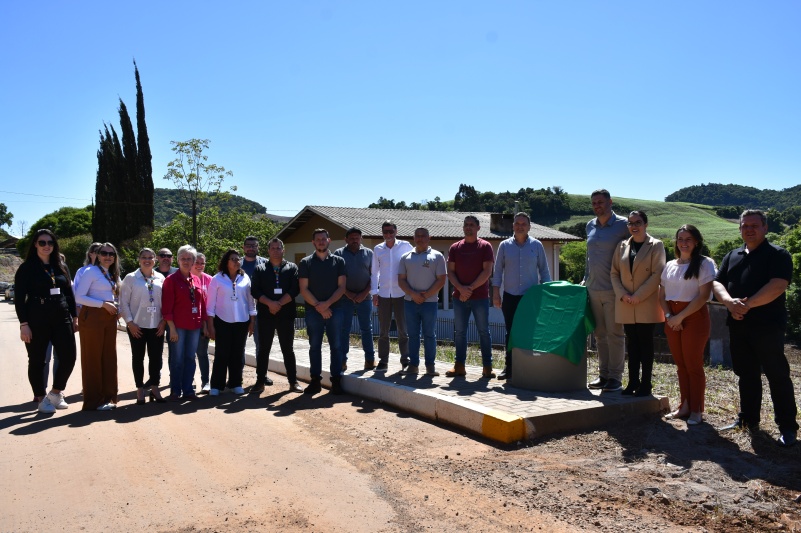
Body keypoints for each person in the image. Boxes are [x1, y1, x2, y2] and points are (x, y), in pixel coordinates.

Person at [713, 210, 798, 447]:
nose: (749, 229)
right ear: (739, 228)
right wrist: (729, 303)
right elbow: (717, 282)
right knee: (746, 374)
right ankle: (748, 420)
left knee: (777, 375)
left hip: (767, 326)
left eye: (754, 225)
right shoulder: (732, 256)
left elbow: (778, 285)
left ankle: (788, 427)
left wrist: (746, 305)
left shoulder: (777, 255)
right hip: (738, 325)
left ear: (765, 228)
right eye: (744, 225)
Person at [15, 229, 78, 414]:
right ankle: (41, 399)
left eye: (50, 243)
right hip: (37, 317)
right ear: (35, 244)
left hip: (61, 316)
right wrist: (24, 324)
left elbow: (69, 293)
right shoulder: (26, 268)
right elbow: (19, 299)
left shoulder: (61, 266)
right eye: (42, 242)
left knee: (69, 357)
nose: (46, 246)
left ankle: (56, 393)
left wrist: (74, 316)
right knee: (37, 360)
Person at [659, 225, 716, 425]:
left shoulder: (705, 263)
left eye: (688, 239)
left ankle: (697, 410)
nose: (683, 242)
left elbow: (702, 297)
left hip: (693, 317)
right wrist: (669, 316)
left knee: (693, 365)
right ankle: (684, 406)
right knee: (681, 366)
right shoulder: (670, 265)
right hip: (672, 318)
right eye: (680, 239)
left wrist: (680, 317)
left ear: (697, 242)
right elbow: (662, 295)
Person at [610, 211, 666, 397]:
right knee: (632, 345)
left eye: (638, 222)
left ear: (646, 224)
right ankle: (632, 381)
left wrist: (638, 296)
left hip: (646, 303)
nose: (634, 226)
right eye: (630, 223)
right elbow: (614, 273)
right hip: (626, 302)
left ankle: (646, 384)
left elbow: (657, 274)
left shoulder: (656, 245)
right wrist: (623, 294)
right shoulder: (622, 246)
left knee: (645, 345)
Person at [491, 212, 551, 380]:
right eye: (517, 223)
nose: (520, 226)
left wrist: (547, 294)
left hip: (530, 298)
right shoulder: (504, 245)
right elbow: (497, 272)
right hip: (509, 296)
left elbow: (544, 272)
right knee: (511, 332)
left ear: (529, 227)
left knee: (530, 332)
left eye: (523, 223)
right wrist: (496, 294)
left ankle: (529, 367)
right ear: (513, 226)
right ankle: (509, 367)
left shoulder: (537, 245)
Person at [583, 189, 631, 392]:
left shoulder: (623, 225)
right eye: (594, 203)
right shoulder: (589, 225)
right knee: (600, 334)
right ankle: (603, 375)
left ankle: (616, 378)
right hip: (593, 288)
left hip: (614, 289)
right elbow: (589, 257)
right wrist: (585, 279)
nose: (597, 206)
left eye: (601, 202)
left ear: (610, 202)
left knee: (615, 334)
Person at [250, 238, 303, 393]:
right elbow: (255, 291)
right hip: (266, 315)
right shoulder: (260, 269)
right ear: (268, 251)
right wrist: (270, 304)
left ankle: (293, 382)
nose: (275, 250)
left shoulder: (292, 267)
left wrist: (278, 303)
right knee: (263, 349)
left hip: (286, 314)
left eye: (278, 248)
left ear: (283, 250)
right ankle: (260, 382)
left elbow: (295, 290)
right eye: (272, 248)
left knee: (287, 349)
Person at [298, 228, 347, 395]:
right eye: (317, 239)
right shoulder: (305, 262)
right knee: (314, 346)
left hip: (336, 310)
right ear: (313, 242)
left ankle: (336, 381)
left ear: (329, 240)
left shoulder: (339, 261)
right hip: (313, 311)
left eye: (323, 238)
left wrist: (327, 305)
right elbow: (303, 289)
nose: (321, 241)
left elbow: (342, 287)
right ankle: (315, 381)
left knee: (337, 346)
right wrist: (320, 307)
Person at [446, 215, 496, 378]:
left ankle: (487, 367)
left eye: (471, 225)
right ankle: (459, 366)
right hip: (459, 298)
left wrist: (470, 289)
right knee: (460, 332)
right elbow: (450, 272)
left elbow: (487, 271)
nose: (468, 227)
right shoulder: (455, 248)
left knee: (483, 332)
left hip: (480, 297)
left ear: (478, 228)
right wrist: (461, 289)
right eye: (466, 224)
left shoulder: (485, 246)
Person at [74, 242, 122, 411]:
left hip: (109, 318)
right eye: (104, 253)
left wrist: (119, 308)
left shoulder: (112, 273)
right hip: (93, 318)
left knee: (109, 357)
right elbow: (79, 297)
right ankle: (94, 400)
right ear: (97, 255)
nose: (108, 256)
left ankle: (108, 397)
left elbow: (116, 294)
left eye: (111, 253)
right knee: (92, 359)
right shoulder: (90, 271)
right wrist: (103, 304)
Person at [119, 248, 167, 404]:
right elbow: (123, 303)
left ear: (155, 259)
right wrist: (130, 323)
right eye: (144, 257)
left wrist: (164, 321)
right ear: (139, 259)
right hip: (137, 326)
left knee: (156, 358)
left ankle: (154, 387)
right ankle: (140, 388)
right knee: (138, 358)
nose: (147, 260)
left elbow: (166, 303)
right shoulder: (131, 278)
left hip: (156, 325)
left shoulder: (160, 277)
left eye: (150, 257)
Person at [206, 249, 256, 396]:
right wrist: (210, 325)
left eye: (238, 259)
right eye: (233, 259)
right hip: (222, 321)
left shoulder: (245, 277)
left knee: (238, 353)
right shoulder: (217, 279)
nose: (236, 261)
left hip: (242, 321)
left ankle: (235, 383)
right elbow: (210, 305)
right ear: (226, 262)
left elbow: (251, 301)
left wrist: (252, 321)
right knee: (222, 353)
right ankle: (216, 385)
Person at [398, 227, 447, 376]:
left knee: (429, 335)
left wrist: (425, 296)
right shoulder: (405, 257)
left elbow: (442, 280)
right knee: (412, 335)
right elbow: (401, 280)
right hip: (410, 302)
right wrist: (413, 294)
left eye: (423, 236)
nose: (420, 238)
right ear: (414, 238)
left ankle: (430, 366)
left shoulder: (437, 256)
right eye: (417, 236)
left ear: (429, 238)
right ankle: (413, 365)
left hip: (430, 303)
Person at [162, 245, 208, 402]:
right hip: (178, 327)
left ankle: (188, 389)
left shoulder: (195, 279)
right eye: (183, 258)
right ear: (178, 260)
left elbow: (201, 303)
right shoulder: (170, 280)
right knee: (177, 359)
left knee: (190, 358)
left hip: (194, 326)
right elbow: (167, 306)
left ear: (194, 261)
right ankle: (176, 390)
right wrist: (172, 328)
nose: (186, 261)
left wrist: (205, 324)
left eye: (189, 259)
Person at [371, 220, 413, 371]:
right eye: (385, 232)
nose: (388, 234)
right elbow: (374, 272)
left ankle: (405, 359)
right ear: (382, 233)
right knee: (383, 330)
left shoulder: (406, 246)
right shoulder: (378, 249)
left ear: (396, 231)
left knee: (403, 329)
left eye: (390, 231)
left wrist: (411, 290)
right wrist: (374, 293)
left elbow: (412, 266)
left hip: (401, 293)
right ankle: (383, 361)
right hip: (383, 294)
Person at [334, 227, 376, 371]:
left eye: (357, 238)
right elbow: (336, 278)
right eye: (351, 238)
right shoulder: (339, 254)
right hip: (345, 298)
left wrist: (364, 293)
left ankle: (370, 360)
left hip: (365, 298)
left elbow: (374, 276)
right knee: (344, 329)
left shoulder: (369, 253)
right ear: (346, 239)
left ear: (361, 239)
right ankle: (342, 360)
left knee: (367, 329)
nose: (354, 240)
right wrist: (348, 294)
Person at [241, 236, 267, 376]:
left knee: (261, 345)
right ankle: (237, 375)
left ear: (258, 247)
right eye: (248, 245)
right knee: (239, 345)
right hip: (240, 311)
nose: (251, 248)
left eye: (254, 245)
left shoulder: (266, 264)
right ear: (243, 247)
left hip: (261, 310)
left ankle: (262, 375)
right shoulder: (236, 264)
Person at [192, 253, 213, 393]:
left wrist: (207, 324)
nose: (199, 266)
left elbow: (210, 304)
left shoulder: (210, 280)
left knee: (202, 353)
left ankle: (206, 382)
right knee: (187, 355)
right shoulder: (185, 278)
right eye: (197, 262)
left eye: (202, 263)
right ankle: (189, 381)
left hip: (203, 323)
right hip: (187, 322)